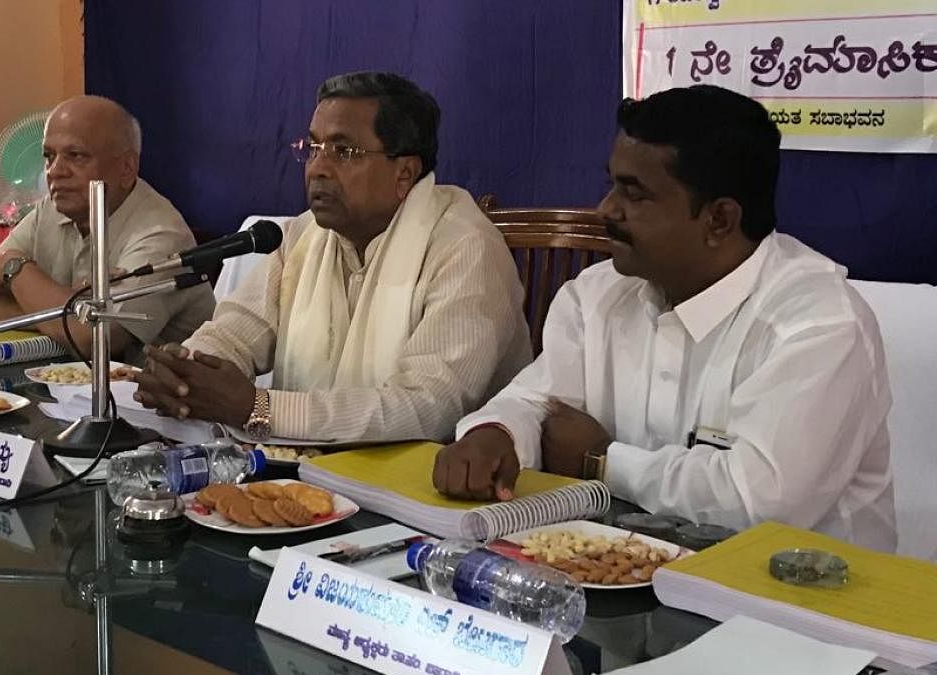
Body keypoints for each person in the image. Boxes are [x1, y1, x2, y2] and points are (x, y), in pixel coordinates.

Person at [434, 85, 896, 551]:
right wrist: (496, 434)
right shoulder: (596, 295)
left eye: (634, 194)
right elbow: (536, 405)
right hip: (630, 577)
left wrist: (601, 461)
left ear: (719, 220)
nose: (605, 209)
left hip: (801, 603)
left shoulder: (819, 324)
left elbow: (758, 501)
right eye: (612, 183)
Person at [133, 71, 531, 443]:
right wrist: (185, 372)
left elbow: (429, 405)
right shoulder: (303, 236)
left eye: (344, 151)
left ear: (405, 173)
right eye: (314, 148)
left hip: (432, 492)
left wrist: (260, 409)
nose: (317, 169)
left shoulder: (464, 247)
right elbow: (234, 334)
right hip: (308, 478)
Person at [0, 95, 215, 358]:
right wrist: (61, 317)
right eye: (49, 156)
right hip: (68, 387)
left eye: (75, 156)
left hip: (146, 395)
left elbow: (94, 338)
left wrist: (15, 268)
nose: (54, 171)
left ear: (126, 168)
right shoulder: (50, 209)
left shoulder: (161, 234)